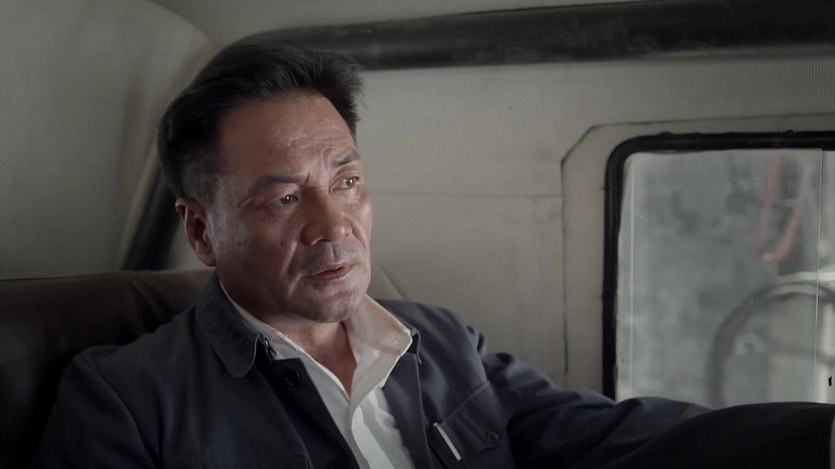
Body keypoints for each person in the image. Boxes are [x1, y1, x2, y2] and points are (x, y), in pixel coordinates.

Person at [34, 43, 835, 469]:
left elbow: (611, 439)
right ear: (202, 231)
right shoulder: (127, 399)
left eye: (347, 181)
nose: (333, 224)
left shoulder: (439, 341)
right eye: (282, 199)